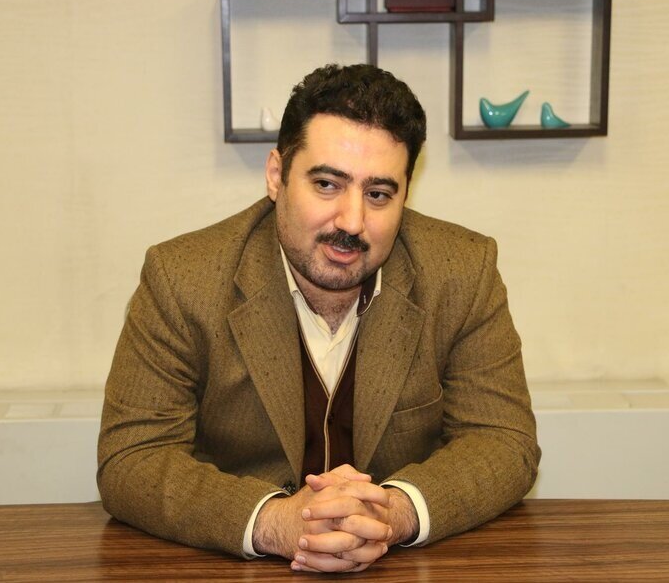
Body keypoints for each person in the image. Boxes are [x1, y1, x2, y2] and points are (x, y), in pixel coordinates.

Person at [97, 63, 540, 573]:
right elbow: (131, 458)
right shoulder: (182, 279)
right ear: (276, 175)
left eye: (378, 194)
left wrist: (391, 514)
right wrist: (275, 522)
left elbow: (504, 441)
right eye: (327, 184)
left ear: (405, 194)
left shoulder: (463, 271)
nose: (352, 221)